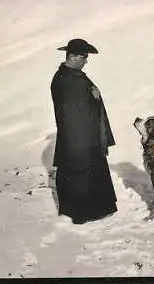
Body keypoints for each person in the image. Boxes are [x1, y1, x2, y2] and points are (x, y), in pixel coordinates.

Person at [50, 38, 117, 224]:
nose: (86, 60)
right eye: (84, 57)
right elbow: (72, 111)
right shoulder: (64, 79)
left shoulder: (75, 76)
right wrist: (94, 97)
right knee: (79, 175)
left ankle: (97, 210)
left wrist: (95, 97)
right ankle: (81, 213)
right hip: (77, 138)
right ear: (72, 56)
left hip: (85, 136)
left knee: (89, 172)